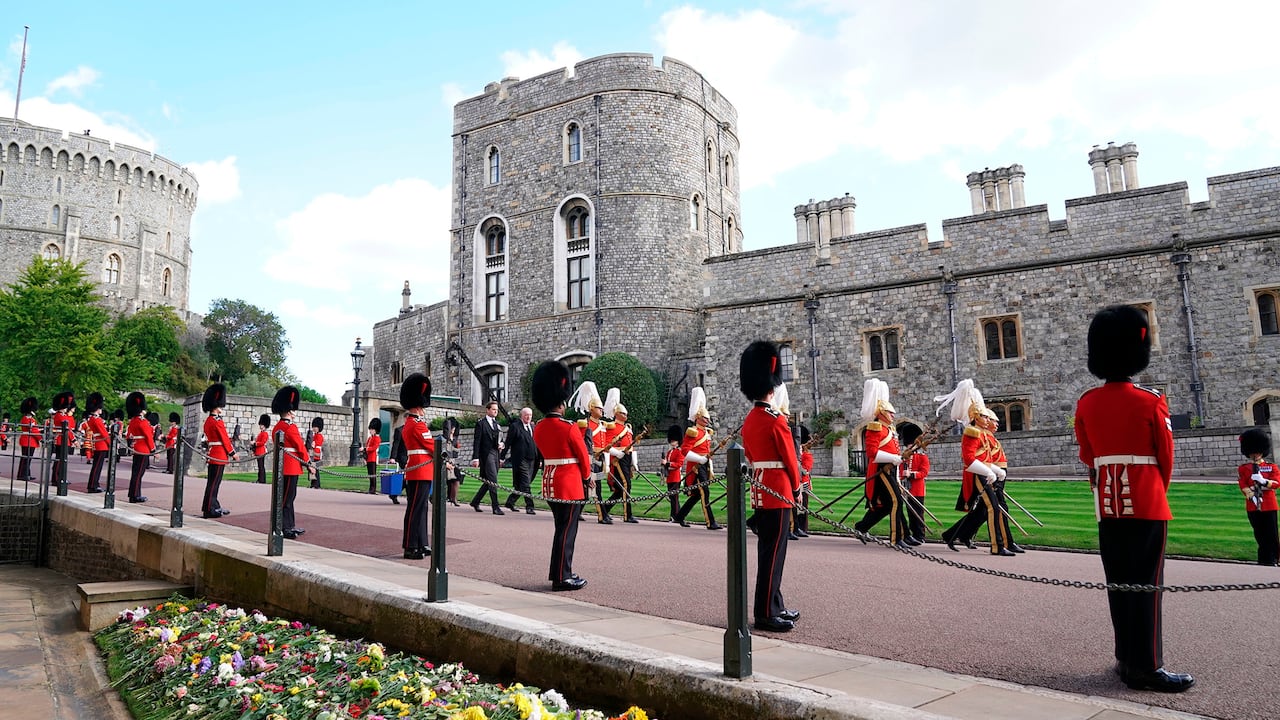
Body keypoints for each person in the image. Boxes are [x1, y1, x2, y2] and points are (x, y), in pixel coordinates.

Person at [1075, 304, 1193, 693]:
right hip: (1145, 500)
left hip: (1106, 504)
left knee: (1119, 583)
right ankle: (1146, 666)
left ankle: (1126, 657)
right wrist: (1158, 491)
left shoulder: (1087, 402)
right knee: (1146, 586)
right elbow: (1166, 456)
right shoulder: (1150, 401)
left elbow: (1087, 454)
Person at [739, 341, 803, 632]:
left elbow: (752, 457)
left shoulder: (750, 421)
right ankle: (765, 612)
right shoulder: (776, 421)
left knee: (770, 553)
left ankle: (774, 603)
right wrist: (798, 485)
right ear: (772, 386)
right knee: (774, 555)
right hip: (778, 493)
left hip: (760, 492)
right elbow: (791, 460)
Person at [530, 361, 591, 591]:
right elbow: (583, 457)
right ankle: (562, 576)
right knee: (567, 532)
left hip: (551, 483)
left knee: (561, 530)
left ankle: (560, 572)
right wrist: (587, 478)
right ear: (562, 403)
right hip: (570, 485)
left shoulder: (539, 428)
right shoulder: (568, 427)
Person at [936, 379, 1014, 556]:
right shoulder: (972, 432)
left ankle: (956, 536)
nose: (988, 419)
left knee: (991, 509)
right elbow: (970, 460)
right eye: (985, 416)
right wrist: (989, 472)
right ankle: (997, 546)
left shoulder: (981, 434)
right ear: (976, 417)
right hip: (979, 475)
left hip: (986, 473)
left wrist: (996, 471)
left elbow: (985, 458)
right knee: (992, 509)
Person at [852, 379, 911, 548]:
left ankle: (862, 527)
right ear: (882, 412)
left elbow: (894, 452)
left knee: (887, 505)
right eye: (890, 413)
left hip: (891, 470)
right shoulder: (875, 427)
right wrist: (893, 459)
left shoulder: (889, 429)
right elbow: (872, 453)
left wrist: (896, 463)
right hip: (881, 470)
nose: (893, 415)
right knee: (895, 502)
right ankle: (896, 538)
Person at [673, 387, 722, 530]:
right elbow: (684, 451)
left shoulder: (706, 432)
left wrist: (708, 465)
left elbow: (706, 451)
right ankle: (710, 522)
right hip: (696, 467)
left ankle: (679, 516)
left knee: (695, 495)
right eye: (704, 417)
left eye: (707, 418)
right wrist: (700, 460)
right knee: (704, 492)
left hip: (704, 466)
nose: (707, 420)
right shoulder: (692, 432)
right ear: (698, 417)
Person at [399, 374, 435, 559]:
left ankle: (421, 543)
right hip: (419, 470)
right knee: (415, 509)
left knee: (421, 508)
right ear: (418, 407)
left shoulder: (413, 423)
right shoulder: (416, 425)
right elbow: (431, 446)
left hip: (421, 469)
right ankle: (410, 545)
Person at [1237, 428, 1279, 566]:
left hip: (1269, 504)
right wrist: (1252, 495)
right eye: (1252, 452)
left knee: (1272, 534)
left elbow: (1276, 483)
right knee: (1260, 535)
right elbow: (1243, 484)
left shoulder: (1271, 467)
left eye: (1257, 452)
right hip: (1253, 505)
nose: (1255, 455)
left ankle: (1274, 558)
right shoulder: (1244, 468)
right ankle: (1264, 560)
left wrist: (1263, 481)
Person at [271, 386, 309, 539]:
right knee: (287, 499)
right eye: (293, 409)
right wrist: (308, 463)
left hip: (285, 465)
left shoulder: (278, 427)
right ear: (289, 410)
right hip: (291, 466)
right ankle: (285, 527)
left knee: (287, 498)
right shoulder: (290, 427)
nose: (294, 412)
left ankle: (289, 525)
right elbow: (300, 447)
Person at [570, 381, 609, 522]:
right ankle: (602, 515)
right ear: (592, 409)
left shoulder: (602, 425)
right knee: (595, 488)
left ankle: (576, 512)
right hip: (589, 459)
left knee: (589, 489)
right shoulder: (584, 423)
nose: (602, 411)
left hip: (599, 459)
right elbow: (580, 443)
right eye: (599, 408)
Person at [601, 392, 638, 523]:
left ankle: (604, 509)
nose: (625, 416)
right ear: (616, 414)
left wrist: (634, 462)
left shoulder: (628, 428)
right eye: (623, 413)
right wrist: (618, 453)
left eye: (626, 414)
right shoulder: (611, 427)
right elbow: (606, 445)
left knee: (619, 490)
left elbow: (630, 446)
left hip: (627, 458)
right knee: (625, 485)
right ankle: (628, 515)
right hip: (618, 460)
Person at [200, 384, 235, 518]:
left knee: (212, 483)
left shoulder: (209, 420)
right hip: (219, 454)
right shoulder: (217, 421)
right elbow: (224, 439)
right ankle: (209, 508)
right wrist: (232, 453)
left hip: (213, 452)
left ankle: (213, 505)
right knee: (214, 483)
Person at [898, 422, 932, 545]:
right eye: (908, 444)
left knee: (918, 513)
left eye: (911, 444)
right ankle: (913, 535)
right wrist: (903, 474)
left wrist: (911, 474)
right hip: (905, 489)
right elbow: (899, 471)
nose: (909, 446)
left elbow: (924, 472)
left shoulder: (922, 457)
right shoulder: (904, 456)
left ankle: (920, 535)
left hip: (917, 489)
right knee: (909, 513)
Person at [470, 401, 505, 514]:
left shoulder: (497, 424)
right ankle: (495, 507)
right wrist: (475, 458)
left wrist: (502, 444)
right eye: (494, 409)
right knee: (493, 479)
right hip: (486, 454)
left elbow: (501, 439)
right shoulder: (481, 423)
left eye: (496, 410)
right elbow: (477, 441)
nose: (496, 411)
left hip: (496, 453)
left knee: (489, 480)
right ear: (488, 410)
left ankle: (475, 501)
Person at [502, 407, 539, 514]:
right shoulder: (515, 427)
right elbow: (508, 443)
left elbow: (537, 444)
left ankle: (510, 502)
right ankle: (530, 506)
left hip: (532, 459)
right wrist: (501, 457)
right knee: (526, 483)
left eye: (530, 415)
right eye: (526, 415)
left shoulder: (533, 427)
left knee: (522, 485)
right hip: (520, 459)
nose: (528, 417)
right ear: (521, 416)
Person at [124, 392, 152, 503]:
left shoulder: (133, 421)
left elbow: (129, 435)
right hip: (144, 449)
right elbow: (148, 437)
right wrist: (153, 449)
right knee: (139, 473)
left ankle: (133, 494)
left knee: (136, 473)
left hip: (136, 448)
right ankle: (135, 495)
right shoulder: (142, 421)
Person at [83, 393, 109, 493]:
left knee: (96, 466)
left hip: (98, 444)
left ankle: (94, 484)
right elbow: (104, 434)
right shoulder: (96, 420)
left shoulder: (92, 419)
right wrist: (110, 443)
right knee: (97, 466)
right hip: (101, 445)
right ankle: (93, 485)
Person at [661, 424, 685, 520]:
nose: (672, 442)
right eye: (671, 440)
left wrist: (667, 464)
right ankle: (675, 515)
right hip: (669, 477)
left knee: (674, 498)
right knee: (672, 498)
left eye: (673, 440)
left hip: (676, 477)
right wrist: (663, 464)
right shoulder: (669, 452)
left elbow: (678, 464)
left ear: (678, 441)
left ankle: (675, 516)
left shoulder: (680, 451)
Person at [441, 416, 463, 506]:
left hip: (454, 462)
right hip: (444, 462)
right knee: (443, 482)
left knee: (457, 479)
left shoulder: (455, 440)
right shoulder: (442, 438)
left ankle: (454, 498)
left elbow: (455, 453)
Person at [17, 397, 39, 481]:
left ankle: (26, 474)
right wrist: (40, 438)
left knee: (27, 459)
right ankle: (23, 475)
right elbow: (33, 430)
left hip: (29, 440)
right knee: (26, 459)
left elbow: (34, 429)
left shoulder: (28, 419)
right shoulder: (28, 419)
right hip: (28, 441)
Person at [365, 417, 383, 495]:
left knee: (373, 474)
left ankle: (373, 489)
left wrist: (366, 449)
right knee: (370, 474)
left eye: (371, 429)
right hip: (368, 458)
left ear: (375, 430)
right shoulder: (370, 438)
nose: (370, 431)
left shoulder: (377, 438)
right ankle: (370, 488)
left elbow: (373, 448)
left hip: (372, 458)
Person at [252, 414, 270, 484]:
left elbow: (262, 442)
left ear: (264, 425)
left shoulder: (265, 433)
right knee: (260, 466)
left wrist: (255, 443)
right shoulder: (261, 433)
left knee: (261, 466)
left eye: (261, 425)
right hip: (258, 451)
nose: (260, 426)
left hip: (261, 451)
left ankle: (262, 480)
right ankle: (260, 479)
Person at [308, 417, 325, 488]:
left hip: (316, 454)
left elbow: (316, 445)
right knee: (312, 469)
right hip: (312, 454)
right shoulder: (314, 436)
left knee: (315, 470)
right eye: (313, 426)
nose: (314, 428)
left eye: (315, 427)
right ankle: (313, 484)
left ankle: (316, 484)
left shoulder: (319, 436)